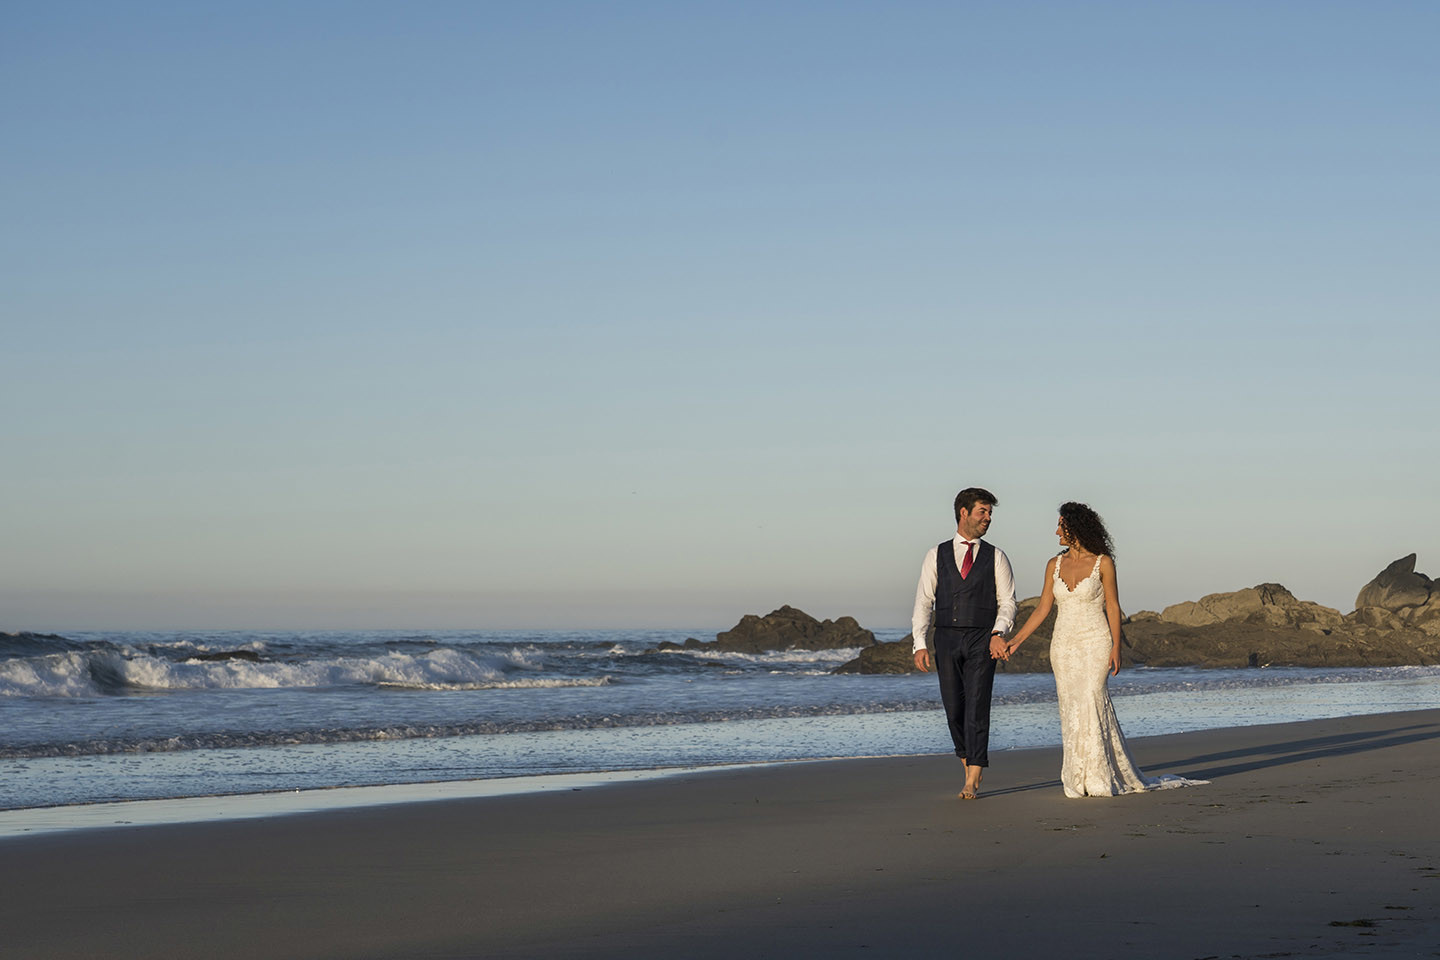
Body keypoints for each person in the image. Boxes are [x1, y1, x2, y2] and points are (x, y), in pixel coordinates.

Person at [1004, 502, 1206, 798]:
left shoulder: (1103, 562)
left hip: (1095, 640)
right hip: (1063, 644)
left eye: (1061, 525)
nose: (1056, 530)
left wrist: (1115, 646)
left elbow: (1112, 605)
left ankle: (1099, 776)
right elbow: (1043, 608)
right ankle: (1077, 778)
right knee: (1070, 706)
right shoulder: (1053, 565)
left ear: (1075, 527)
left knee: (1092, 698)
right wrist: (1016, 640)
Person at [912, 487, 1018, 800]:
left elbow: (1008, 601)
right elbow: (923, 600)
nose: (988, 518)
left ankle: (974, 773)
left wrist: (998, 633)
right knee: (954, 707)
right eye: (982, 512)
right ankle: (966, 755)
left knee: (977, 704)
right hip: (945, 637)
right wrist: (919, 642)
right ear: (964, 513)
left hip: (982, 639)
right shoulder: (936, 554)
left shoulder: (997, 556)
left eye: (990, 513)